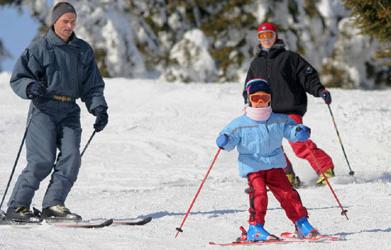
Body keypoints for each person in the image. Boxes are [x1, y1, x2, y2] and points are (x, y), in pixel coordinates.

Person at [6, 2, 108, 223]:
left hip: (69, 110)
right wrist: (30, 87)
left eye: (73, 22)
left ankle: (53, 205)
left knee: (71, 158)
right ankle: (17, 206)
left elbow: (92, 86)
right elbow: (19, 78)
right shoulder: (39, 48)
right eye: (65, 21)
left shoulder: (82, 50)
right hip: (43, 108)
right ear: (55, 22)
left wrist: (99, 108)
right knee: (42, 160)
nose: (69, 26)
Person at [216, 79, 320, 241]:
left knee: (288, 194)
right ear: (249, 99)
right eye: (255, 98)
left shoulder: (279, 120)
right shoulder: (240, 124)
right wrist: (225, 140)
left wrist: (299, 132)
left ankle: (301, 223)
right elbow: (229, 138)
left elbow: (291, 130)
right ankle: (255, 228)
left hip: (274, 165)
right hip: (252, 166)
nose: (260, 102)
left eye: (264, 98)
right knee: (259, 194)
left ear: (270, 99)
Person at [242, 22, 335, 187]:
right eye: (262, 36)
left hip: (290, 108)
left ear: (275, 36)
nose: (266, 39)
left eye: (269, 35)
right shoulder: (256, 63)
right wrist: (248, 103)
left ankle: (325, 169)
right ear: (259, 39)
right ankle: (287, 176)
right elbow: (250, 86)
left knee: (299, 143)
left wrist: (320, 90)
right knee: (271, 148)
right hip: (267, 112)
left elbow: (308, 76)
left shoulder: (289, 58)